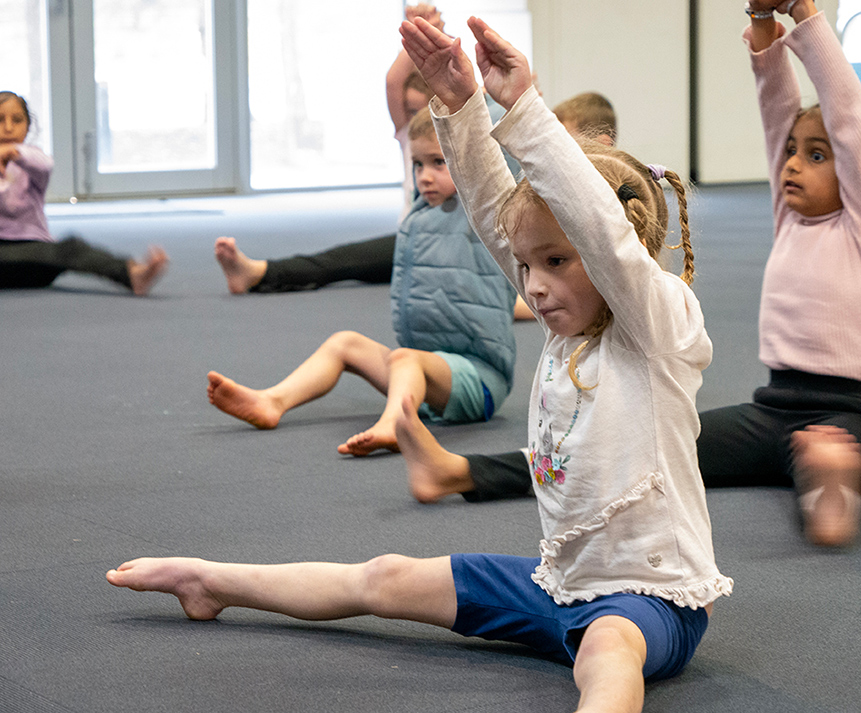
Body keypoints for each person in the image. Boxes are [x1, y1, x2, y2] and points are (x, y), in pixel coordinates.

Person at [108, 18, 732, 713]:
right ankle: (212, 581)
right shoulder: (566, 321)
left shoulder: (659, 329)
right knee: (383, 575)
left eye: (555, 263)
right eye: (528, 268)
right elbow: (500, 218)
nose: (532, 284)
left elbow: (600, 234)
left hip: (649, 600)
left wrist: (525, 110)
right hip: (557, 584)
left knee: (606, 655)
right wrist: (464, 104)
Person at [395, 0, 861, 550]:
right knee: (636, 452)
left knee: (830, 458)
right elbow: (777, 113)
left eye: (817, 155)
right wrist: (764, 30)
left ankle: (831, 488)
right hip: (771, 408)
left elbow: (849, 121)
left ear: (860, 170)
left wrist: (803, 12)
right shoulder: (789, 213)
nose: (792, 163)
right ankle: (462, 472)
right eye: (793, 152)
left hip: (851, 414)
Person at [206, 105, 517, 457]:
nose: (425, 176)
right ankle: (272, 401)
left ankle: (395, 425)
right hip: (421, 372)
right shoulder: (420, 216)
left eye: (438, 163)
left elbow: (496, 147)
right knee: (345, 343)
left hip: (479, 380)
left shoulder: (485, 213)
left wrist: (493, 98)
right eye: (417, 165)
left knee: (406, 360)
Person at [212, 4, 442, 296]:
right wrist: (420, 35)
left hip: (449, 246)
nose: (414, 119)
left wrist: (438, 44)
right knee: (340, 261)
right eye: (409, 112)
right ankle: (258, 272)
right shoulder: (412, 139)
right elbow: (393, 82)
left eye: (423, 111)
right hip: (416, 242)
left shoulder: (456, 143)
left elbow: (462, 91)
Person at [0, 91, 168, 294]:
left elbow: (45, 165)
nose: (8, 128)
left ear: (27, 128)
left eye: (17, 120)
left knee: (71, 247)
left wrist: (13, 153)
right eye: (0, 120)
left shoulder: (32, 159)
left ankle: (132, 274)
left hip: (37, 259)